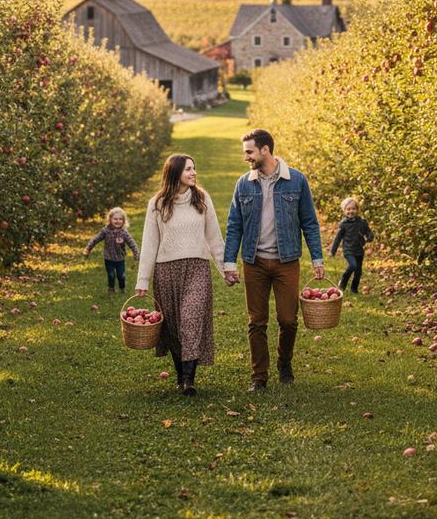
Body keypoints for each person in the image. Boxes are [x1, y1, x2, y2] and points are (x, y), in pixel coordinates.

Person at [224, 129, 324, 391]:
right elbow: (234, 225)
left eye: (249, 151)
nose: (245, 157)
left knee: (288, 319)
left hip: (286, 261)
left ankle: (284, 362)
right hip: (254, 262)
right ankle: (259, 376)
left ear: (265, 150)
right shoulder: (243, 184)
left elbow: (310, 223)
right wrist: (229, 262)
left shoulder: (296, 180)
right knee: (256, 321)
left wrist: (317, 258)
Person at [135, 154, 232, 396]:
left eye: (194, 169)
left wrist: (226, 269)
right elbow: (149, 242)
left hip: (197, 268)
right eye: (188, 169)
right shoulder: (158, 203)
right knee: (174, 326)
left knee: (191, 319)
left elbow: (214, 238)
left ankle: (189, 380)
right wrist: (143, 280)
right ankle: (180, 374)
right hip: (167, 270)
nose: (193, 173)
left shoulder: (201, 198)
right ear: (175, 172)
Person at [83, 207, 139, 293]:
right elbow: (96, 239)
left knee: (121, 276)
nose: (118, 221)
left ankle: (122, 287)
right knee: (111, 275)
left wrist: (136, 253)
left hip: (120, 258)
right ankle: (111, 288)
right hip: (108, 258)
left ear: (124, 221)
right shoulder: (106, 231)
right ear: (110, 219)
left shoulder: (124, 233)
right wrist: (88, 248)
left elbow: (132, 243)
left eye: (120, 219)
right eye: (115, 219)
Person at [329, 197, 374, 295]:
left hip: (359, 250)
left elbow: (368, 232)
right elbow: (338, 238)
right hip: (348, 250)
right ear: (344, 211)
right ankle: (343, 281)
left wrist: (369, 237)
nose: (351, 211)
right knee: (353, 265)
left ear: (357, 209)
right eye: (348, 209)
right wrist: (333, 251)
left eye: (353, 209)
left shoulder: (361, 222)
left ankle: (354, 289)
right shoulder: (344, 224)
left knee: (358, 272)